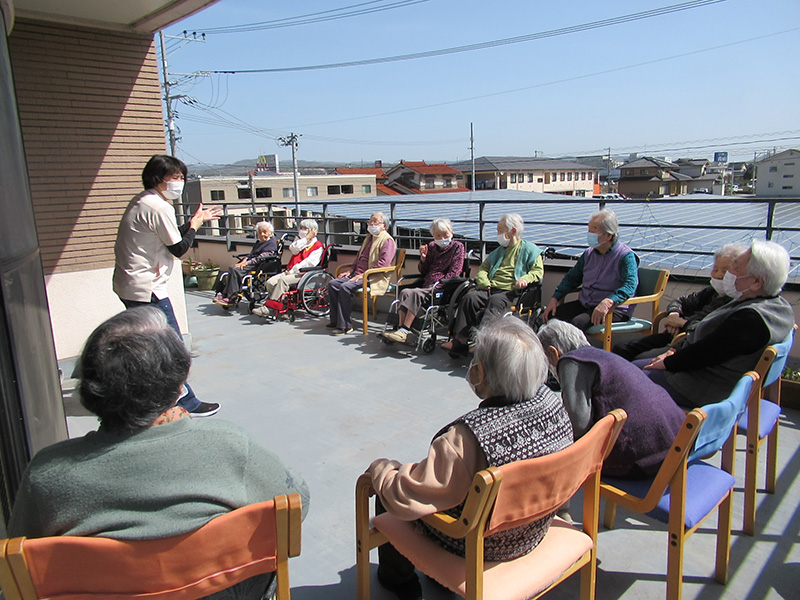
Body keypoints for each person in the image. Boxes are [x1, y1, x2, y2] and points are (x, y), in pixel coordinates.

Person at [8, 306, 310, 600]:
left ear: (89, 389)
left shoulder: (46, 473)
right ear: (180, 386)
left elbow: (16, 567)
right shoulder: (228, 445)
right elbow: (299, 503)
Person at [367, 317, 573, 595]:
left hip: (480, 543)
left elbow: (407, 497)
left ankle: (399, 583)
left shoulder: (467, 439)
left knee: (384, 491)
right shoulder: (554, 405)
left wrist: (383, 469)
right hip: (534, 528)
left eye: (476, 363)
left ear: (484, 373)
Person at [113, 154, 222, 417]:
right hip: (147, 289)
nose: (180, 183)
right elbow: (180, 249)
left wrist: (194, 222)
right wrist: (195, 225)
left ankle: (154, 397)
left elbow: (168, 238)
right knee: (171, 349)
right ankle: (185, 402)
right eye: (175, 178)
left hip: (131, 285)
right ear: (158, 179)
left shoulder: (143, 201)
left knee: (149, 346)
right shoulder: (159, 207)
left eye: (182, 178)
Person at [640, 240, 795, 408]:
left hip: (700, 389)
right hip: (699, 372)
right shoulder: (778, 307)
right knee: (629, 367)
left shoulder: (750, 319)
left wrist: (667, 362)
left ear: (756, 282)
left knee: (624, 379)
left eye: (735, 268)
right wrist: (672, 351)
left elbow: (706, 352)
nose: (729, 274)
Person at [538, 319, 686, 478]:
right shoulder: (602, 355)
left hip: (643, 459)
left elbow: (577, 425)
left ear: (553, 352)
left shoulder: (571, 361)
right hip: (678, 445)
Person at [613, 242, 746, 360]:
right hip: (674, 334)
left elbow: (709, 331)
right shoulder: (711, 292)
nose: (718, 275)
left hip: (689, 343)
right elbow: (680, 301)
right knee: (621, 348)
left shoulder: (735, 302)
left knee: (638, 359)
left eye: (724, 271)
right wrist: (673, 315)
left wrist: (682, 323)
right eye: (715, 269)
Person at [441, 213, 543, 356]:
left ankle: (483, 342)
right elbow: (483, 268)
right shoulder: (498, 252)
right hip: (491, 287)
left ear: (513, 231)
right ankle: (460, 340)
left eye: (500, 230)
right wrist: (484, 282)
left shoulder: (530, 250)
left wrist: (525, 279)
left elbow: (538, 271)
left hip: (511, 292)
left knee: (494, 301)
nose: (498, 234)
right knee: (470, 298)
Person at [543, 209, 639, 331]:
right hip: (586, 304)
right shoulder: (589, 254)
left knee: (576, 324)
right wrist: (555, 298)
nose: (589, 233)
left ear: (608, 235)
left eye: (594, 229)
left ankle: (578, 350)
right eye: (589, 229)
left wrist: (609, 301)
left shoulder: (625, 256)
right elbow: (572, 278)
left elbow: (630, 285)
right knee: (550, 318)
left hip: (613, 309)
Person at [381, 218, 465, 344]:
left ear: (452, 232)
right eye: (438, 235)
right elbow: (423, 271)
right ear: (433, 236)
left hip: (443, 288)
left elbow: (454, 272)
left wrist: (438, 285)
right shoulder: (431, 246)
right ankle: (400, 330)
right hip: (427, 284)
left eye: (445, 234)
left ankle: (404, 330)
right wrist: (423, 259)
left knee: (415, 293)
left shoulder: (458, 247)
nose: (442, 238)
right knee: (404, 292)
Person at [327, 212, 396, 335]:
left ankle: (345, 326)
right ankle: (336, 320)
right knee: (332, 284)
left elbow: (384, 264)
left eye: (375, 221)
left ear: (384, 226)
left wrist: (364, 275)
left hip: (373, 277)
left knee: (345, 287)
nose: (371, 224)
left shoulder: (387, 240)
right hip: (358, 275)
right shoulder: (368, 238)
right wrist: (350, 270)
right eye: (370, 221)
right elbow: (359, 258)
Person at [252, 219, 323, 318]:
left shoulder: (318, 246)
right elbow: (293, 249)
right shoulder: (300, 241)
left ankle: (269, 308)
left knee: (283, 281)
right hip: (290, 271)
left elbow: (310, 263)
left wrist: (294, 270)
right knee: (270, 282)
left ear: (312, 230)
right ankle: (281, 307)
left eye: (305, 229)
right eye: (301, 228)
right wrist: (306, 238)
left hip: (303, 273)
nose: (301, 230)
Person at [213, 221, 278, 306]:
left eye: (264, 232)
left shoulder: (271, 243)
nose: (262, 234)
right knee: (232, 268)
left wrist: (247, 263)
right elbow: (251, 254)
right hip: (251, 262)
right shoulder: (259, 242)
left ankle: (232, 297)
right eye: (259, 232)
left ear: (270, 233)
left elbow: (262, 257)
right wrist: (243, 261)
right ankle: (225, 295)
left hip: (260, 264)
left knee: (236, 270)